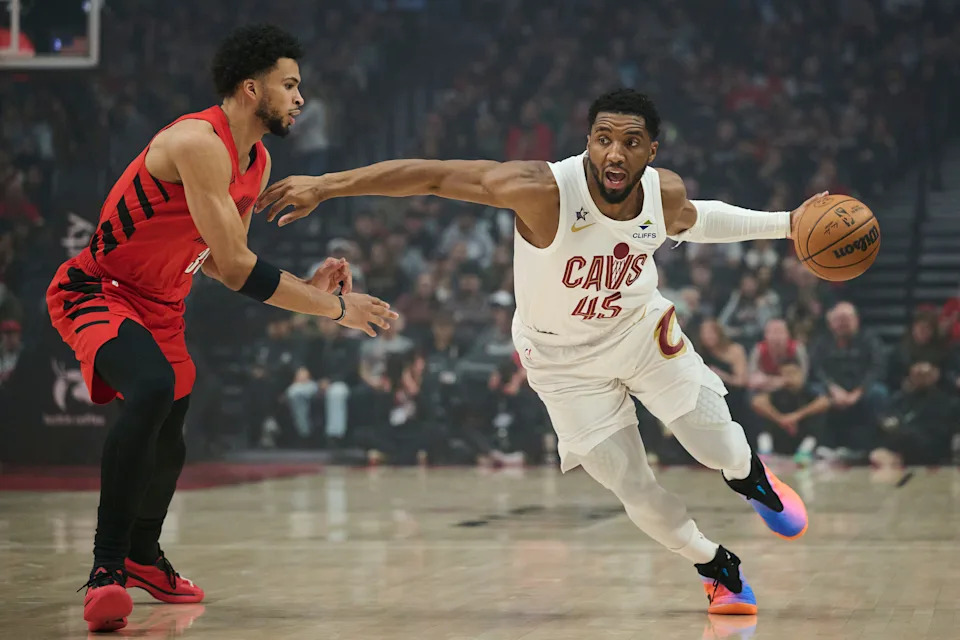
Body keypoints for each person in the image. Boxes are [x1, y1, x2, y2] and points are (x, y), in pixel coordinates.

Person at [257, 88, 817, 616]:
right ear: (588, 141)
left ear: (652, 149)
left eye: (629, 141)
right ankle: (715, 565)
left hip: (640, 333)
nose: (614, 153)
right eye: (603, 138)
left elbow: (696, 220)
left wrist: (790, 224)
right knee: (633, 489)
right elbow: (429, 177)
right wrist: (327, 185)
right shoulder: (540, 188)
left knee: (715, 443)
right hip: (562, 363)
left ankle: (751, 480)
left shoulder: (661, 191)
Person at [45, 25, 396, 633]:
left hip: (163, 304)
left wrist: (310, 291)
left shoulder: (257, 163)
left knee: (173, 430)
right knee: (152, 390)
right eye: (290, 85)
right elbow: (239, 268)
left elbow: (219, 262)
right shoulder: (198, 141)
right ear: (251, 88)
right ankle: (106, 572)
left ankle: (144, 555)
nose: (300, 98)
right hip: (98, 288)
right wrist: (336, 309)